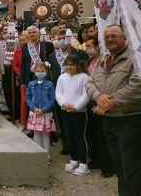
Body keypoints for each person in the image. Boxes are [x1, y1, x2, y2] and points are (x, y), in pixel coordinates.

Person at [86, 25, 141, 196]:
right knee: (118, 166)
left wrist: (109, 102)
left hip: (128, 119)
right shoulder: (104, 59)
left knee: (131, 167)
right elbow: (90, 82)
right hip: (109, 120)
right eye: (106, 36)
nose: (110, 39)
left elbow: (137, 85)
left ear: (125, 37)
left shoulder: (135, 58)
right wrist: (98, 98)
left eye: (114, 36)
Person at [48, 30, 88, 154]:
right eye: (59, 38)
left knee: (78, 127)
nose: (62, 41)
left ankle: (80, 151)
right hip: (60, 94)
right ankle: (67, 146)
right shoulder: (52, 55)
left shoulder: (80, 53)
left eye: (64, 38)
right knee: (63, 121)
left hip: (77, 95)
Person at [84, 36, 115, 178]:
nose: (87, 48)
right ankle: (95, 159)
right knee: (92, 134)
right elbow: (88, 81)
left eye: (89, 45)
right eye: (86, 46)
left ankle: (107, 165)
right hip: (91, 101)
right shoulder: (87, 62)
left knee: (103, 136)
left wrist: (101, 98)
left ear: (97, 47)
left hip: (104, 101)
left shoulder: (105, 61)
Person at [55, 55, 90, 176]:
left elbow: (86, 94)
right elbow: (58, 92)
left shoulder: (84, 77)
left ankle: (84, 164)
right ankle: (74, 159)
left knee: (79, 137)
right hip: (65, 111)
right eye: (67, 64)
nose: (69, 67)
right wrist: (63, 104)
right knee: (69, 136)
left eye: (72, 65)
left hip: (79, 113)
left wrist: (76, 107)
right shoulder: (62, 77)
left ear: (78, 65)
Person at [25, 61, 56, 165]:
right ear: (35, 72)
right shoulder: (31, 84)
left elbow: (52, 99)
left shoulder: (50, 84)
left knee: (46, 134)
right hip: (34, 113)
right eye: (38, 71)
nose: (40, 73)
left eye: (42, 71)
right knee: (36, 133)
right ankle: (37, 153)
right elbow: (27, 97)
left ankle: (46, 154)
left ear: (46, 71)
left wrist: (43, 110)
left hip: (45, 113)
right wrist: (33, 108)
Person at [12, 33, 29, 131]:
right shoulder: (17, 52)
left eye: (24, 40)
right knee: (23, 101)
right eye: (20, 40)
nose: (22, 42)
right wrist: (22, 74)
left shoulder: (31, 51)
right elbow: (15, 65)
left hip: (31, 79)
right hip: (22, 79)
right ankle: (23, 123)